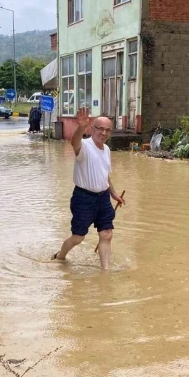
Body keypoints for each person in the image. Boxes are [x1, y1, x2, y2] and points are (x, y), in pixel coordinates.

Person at [53, 114, 124, 270]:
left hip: (103, 197)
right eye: (100, 129)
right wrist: (81, 127)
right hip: (84, 197)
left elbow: (105, 175)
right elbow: (74, 143)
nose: (104, 133)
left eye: (108, 130)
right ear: (93, 129)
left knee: (106, 234)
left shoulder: (106, 149)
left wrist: (114, 194)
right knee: (78, 237)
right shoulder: (84, 145)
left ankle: (105, 270)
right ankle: (60, 256)